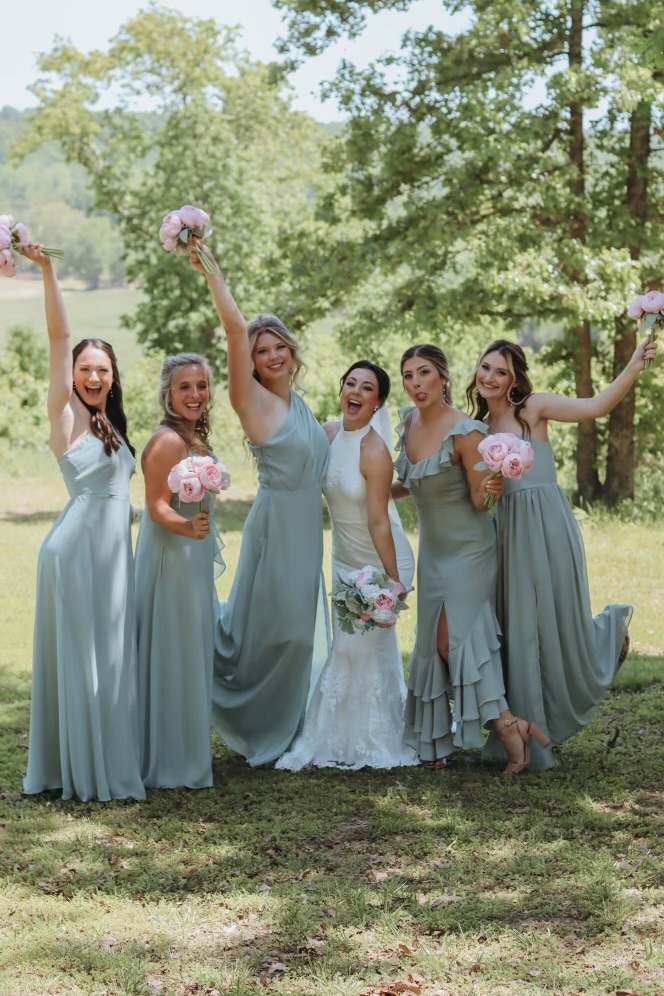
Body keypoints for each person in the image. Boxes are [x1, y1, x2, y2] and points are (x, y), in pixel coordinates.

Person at [468, 336, 658, 770]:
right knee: (518, 628)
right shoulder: (474, 428)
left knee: (552, 619)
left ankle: (607, 634)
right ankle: (526, 733)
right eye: (485, 367)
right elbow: (477, 497)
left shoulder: (532, 409)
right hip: (506, 532)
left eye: (501, 370)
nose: (490, 377)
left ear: (514, 377)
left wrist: (632, 362)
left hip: (547, 523)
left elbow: (597, 406)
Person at [190, 245, 329, 766]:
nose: (272, 356)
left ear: (292, 352)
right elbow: (232, 329)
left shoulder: (299, 403)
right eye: (262, 350)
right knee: (281, 634)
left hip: (306, 529)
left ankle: (290, 724)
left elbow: (326, 445)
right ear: (250, 359)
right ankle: (257, 724)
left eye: (279, 348)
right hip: (275, 528)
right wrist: (213, 271)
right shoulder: (249, 400)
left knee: (296, 630)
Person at [20, 243, 144, 802]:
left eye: (102, 369)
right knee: (86, 658)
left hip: (112, 552)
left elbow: (112, 488)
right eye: (84, 369)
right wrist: (48, 270)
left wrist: (132, 508)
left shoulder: (107, 423)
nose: (93, 376)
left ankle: (109, 757)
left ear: (113, 377)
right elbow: (57, 337)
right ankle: (86, 770)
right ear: (72, 375)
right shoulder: (66, 414)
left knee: (112, 656)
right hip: (75, 555)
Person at [393, 344, 547, 773]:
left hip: (470, 552)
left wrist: (491, 487)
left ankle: (510, 727)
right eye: (408, 375)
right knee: (435, 645)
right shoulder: (407, 424)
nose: (416, 383)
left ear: (443, 377)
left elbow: (481, 502)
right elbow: (413, 482)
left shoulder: (466, 431)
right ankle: (435, 744)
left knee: (456, 642)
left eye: (424, 373)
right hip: (434, 554)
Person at [277, 360, 418, 770]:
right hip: (343, 558)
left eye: (366, 387)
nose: (355, 391)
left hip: (379, 559)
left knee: (356, 649)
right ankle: (343, 738)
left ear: (378, 402)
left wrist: (392, 581)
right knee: (357, 651)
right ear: (342, 391)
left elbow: (378, 519)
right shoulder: (329, 433)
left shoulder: (375, 450)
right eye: (350, 384)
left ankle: (371, 739)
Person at [135, 353, 225, 789]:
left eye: (202, 386)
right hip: (171, 558)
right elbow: (155, 508)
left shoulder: (195, 436)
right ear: (168, 394)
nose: (195, 394)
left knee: (190, 650)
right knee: (173, 651)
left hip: (191, 557)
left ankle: (188, 752)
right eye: (185, 387)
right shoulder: (168, 441)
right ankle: (170, 761)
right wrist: (188, 527)